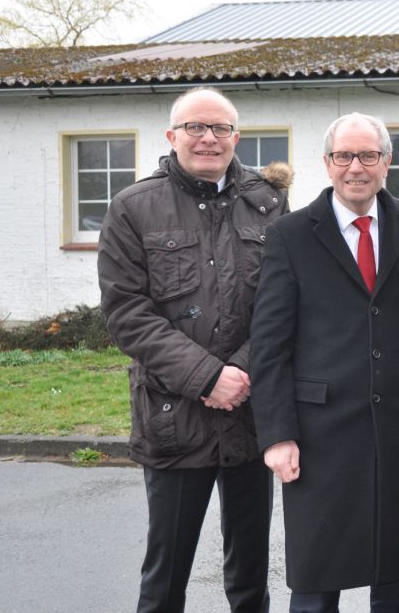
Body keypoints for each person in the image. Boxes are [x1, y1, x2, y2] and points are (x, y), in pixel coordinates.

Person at [98, 86, 290, 613]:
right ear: (172, 135)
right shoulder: (134, 207)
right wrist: (209, 377)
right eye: (195, 128)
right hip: (174, 416)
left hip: (253, 416)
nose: (208, 138)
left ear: (236, 136)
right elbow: (126, 314)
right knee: (165, 577)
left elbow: (285, 303)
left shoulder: (268, 203)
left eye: (220, 128)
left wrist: (242, 372)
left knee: (251, 577)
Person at [249, 112, 399, 613]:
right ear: (327, 164)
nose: (357, 167)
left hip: (398, 430)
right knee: (315, 582)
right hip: (319, 434)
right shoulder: (290, 234)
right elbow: (268, 343)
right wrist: (277, 433)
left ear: (387, 163)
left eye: (368, 156)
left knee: (396, 580)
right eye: (344, 156)